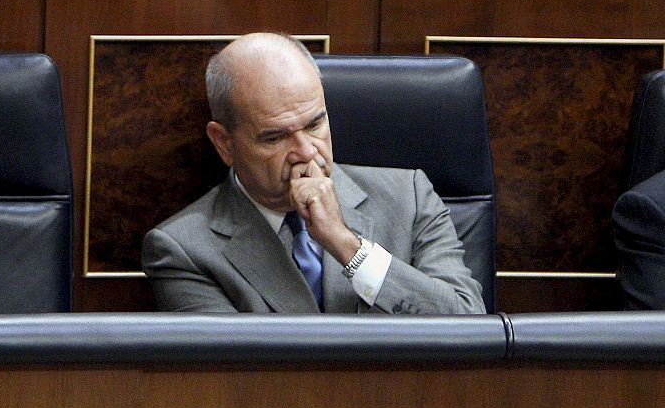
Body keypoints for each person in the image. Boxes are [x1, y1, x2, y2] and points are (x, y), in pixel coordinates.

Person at [141, 32, 485, 314]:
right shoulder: (183, 249)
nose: (307, 151)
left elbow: (468, 326)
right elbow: (236, 380)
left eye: (315, 123)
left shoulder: (408, 197)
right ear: (224, 143)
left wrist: (346, 246)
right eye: (275, 137)